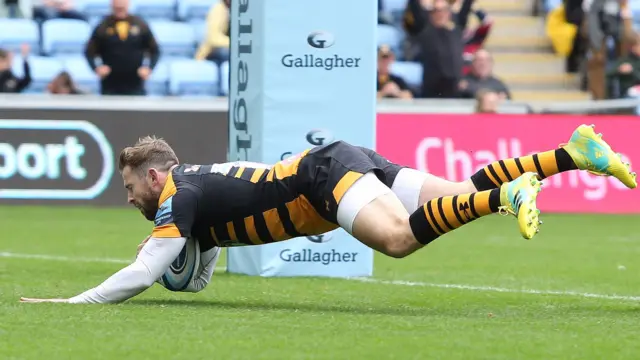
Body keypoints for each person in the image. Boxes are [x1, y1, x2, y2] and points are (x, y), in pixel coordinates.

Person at [20, 124, 636, 304]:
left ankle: (507, 197)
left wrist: (76, 303)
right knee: (454, 194)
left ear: (155, 176)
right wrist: (194, 256)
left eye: (131, 186)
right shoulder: (195, 194)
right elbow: (196, 277)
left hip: (320, 177)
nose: (129, 198)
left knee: (396, 240)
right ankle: (569, 154)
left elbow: (147, 272)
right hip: (337, 160)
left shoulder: (180, 199)